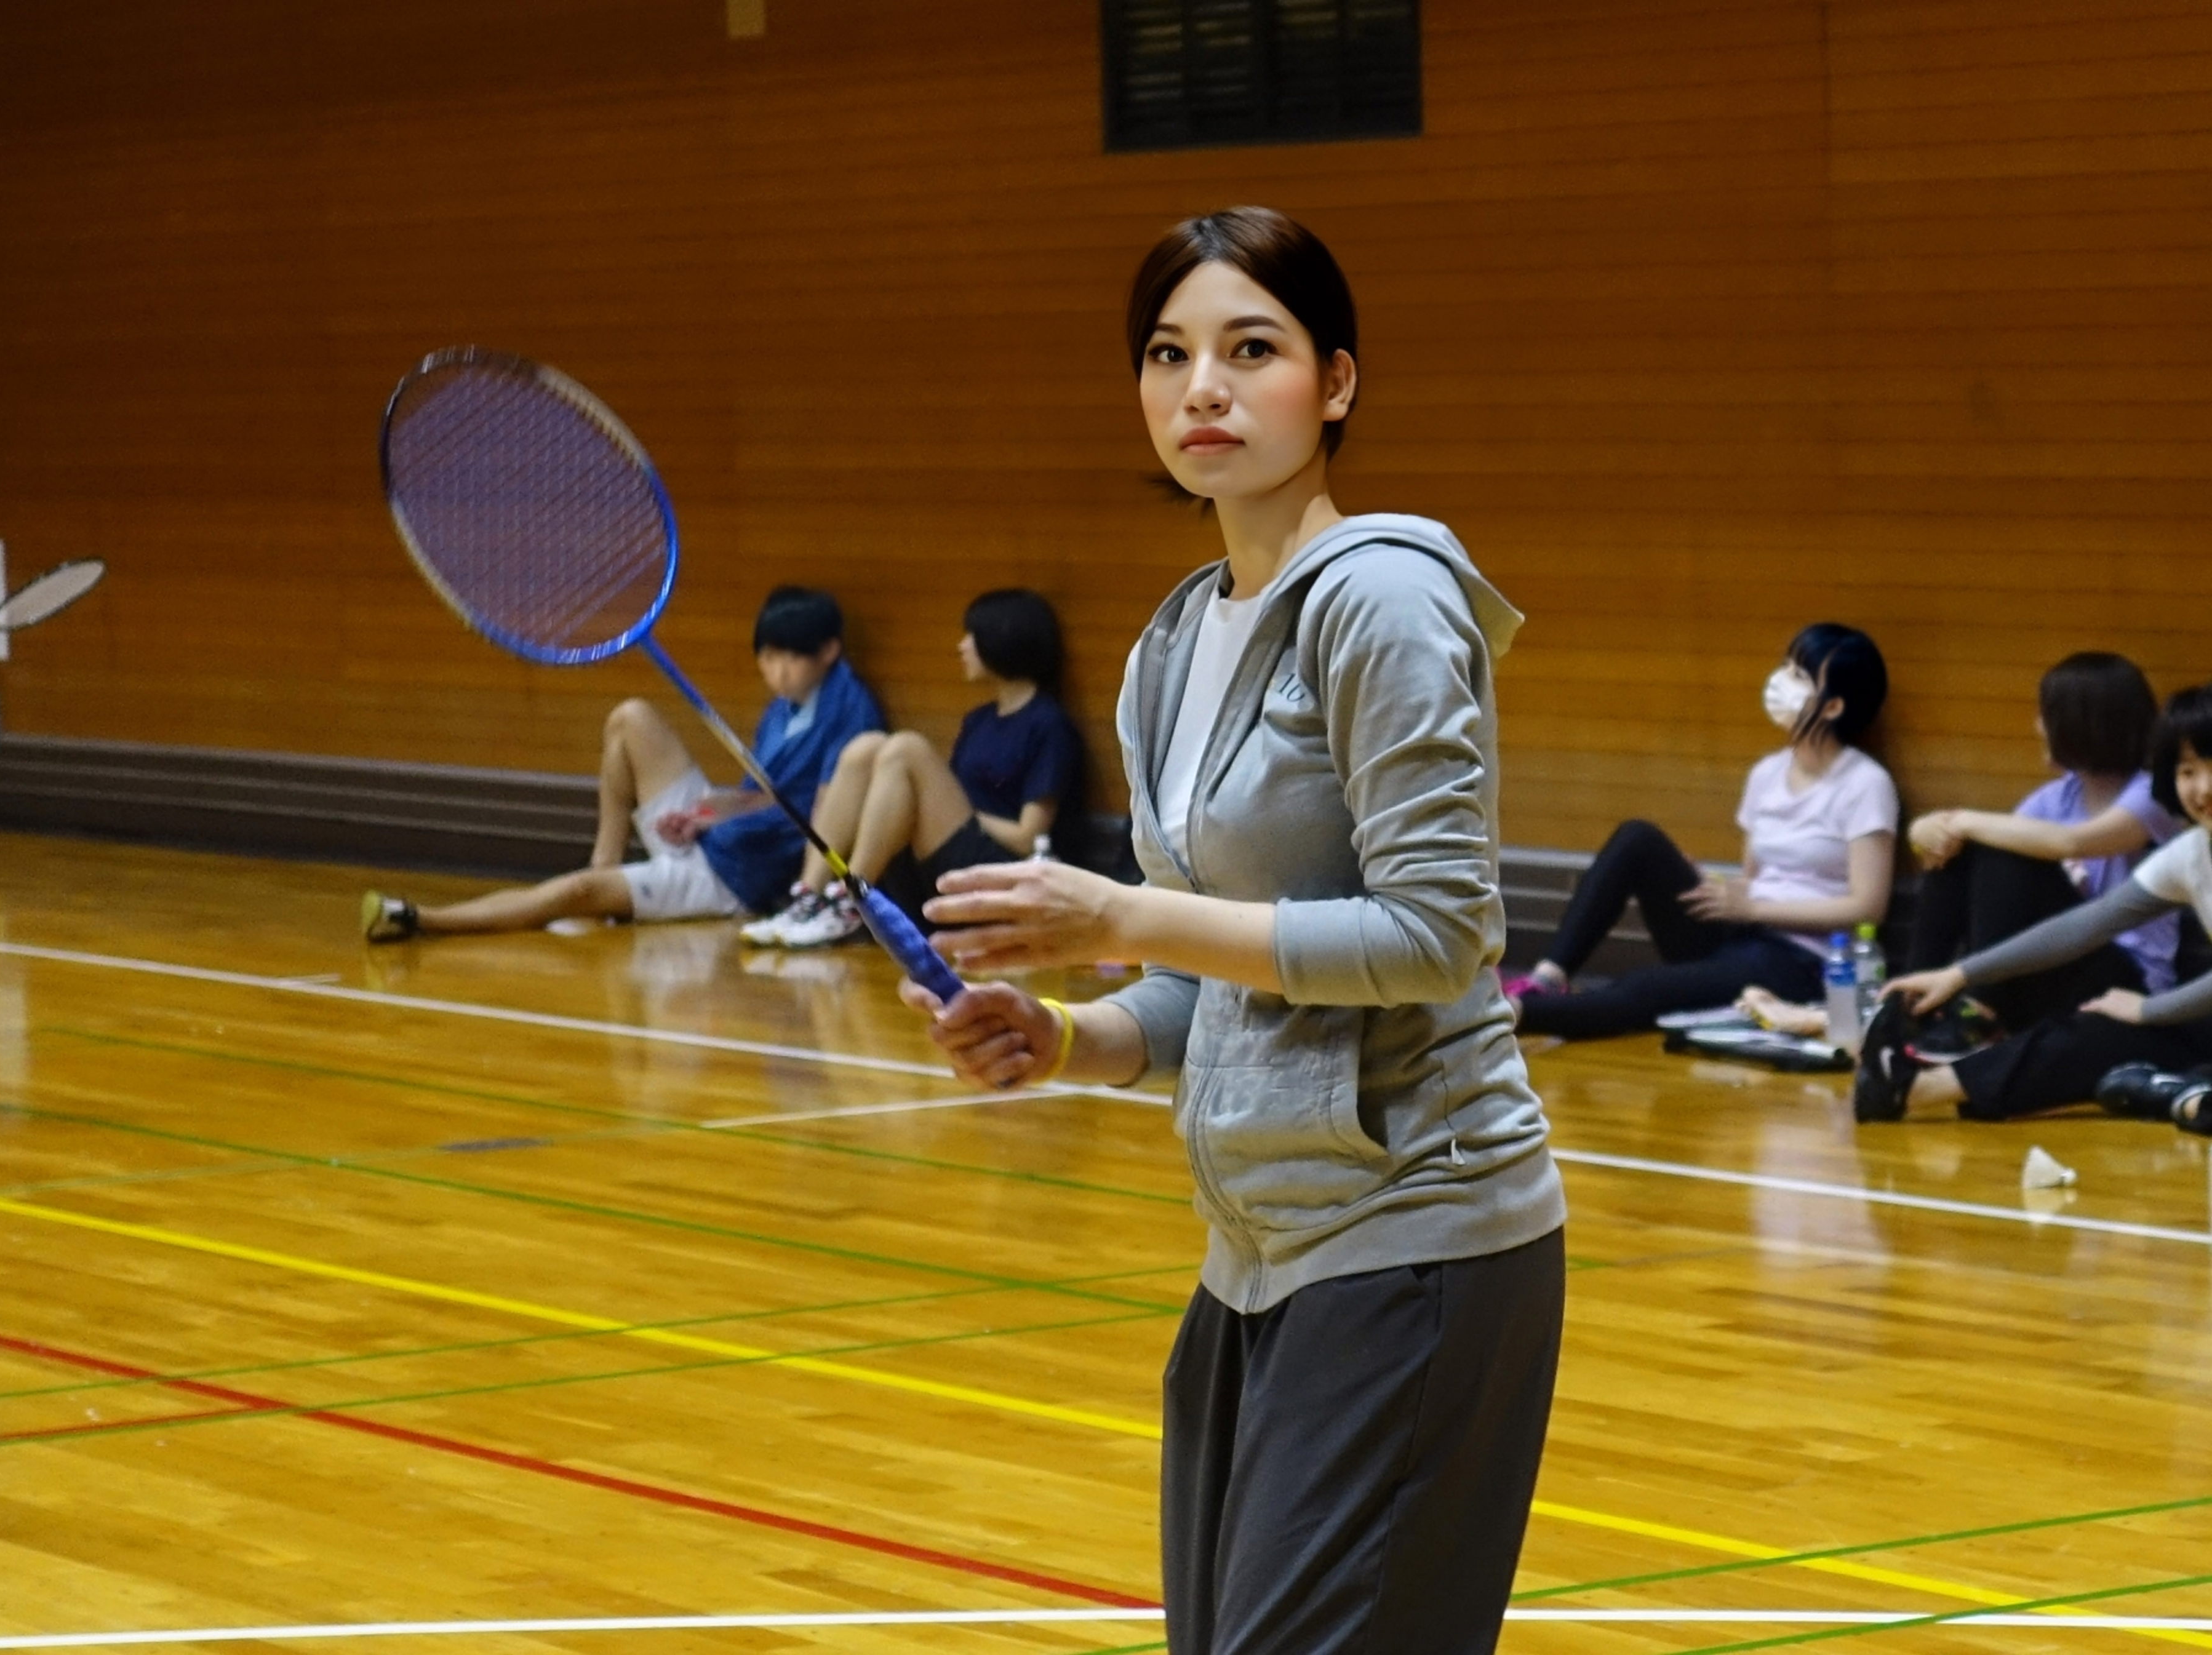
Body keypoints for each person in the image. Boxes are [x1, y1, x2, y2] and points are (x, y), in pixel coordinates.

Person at [896, 207, 1565, 1655]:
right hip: (1254, 1249)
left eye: (1247, 349)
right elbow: (1221, 981)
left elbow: (1437, 932)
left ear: (1333, 382)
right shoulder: (1166, 644)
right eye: (1166, 352)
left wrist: (1119, 911)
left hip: (1415, 1233)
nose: (1200, 386)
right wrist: (1067, 1033)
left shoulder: (1383, 598)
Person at [362, 586, 880, 939]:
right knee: (630, 719)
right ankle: (605, 867)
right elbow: (762, 795)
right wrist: (699, 816)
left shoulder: (850, 711)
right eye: (767, 657)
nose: (776, 671)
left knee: (574, 894)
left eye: (789, 657)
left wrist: (792, 884)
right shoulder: (782, 711)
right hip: (715, 837)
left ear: (829, 651)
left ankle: (422, 920)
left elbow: (819, 815)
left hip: (737, 880)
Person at [1506, 623, 1898, 1041]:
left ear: (1834, 706)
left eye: (1800, 676)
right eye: (1785, 667)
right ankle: (1547, 978)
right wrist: (1716, 886)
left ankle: (1515, 1015)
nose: (1781, 681)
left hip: (1801, 962)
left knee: (1647, 985)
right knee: (1637, 840)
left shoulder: (1866, 784)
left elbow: (1867, 907)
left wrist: (1754, 910)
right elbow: (1756, 882)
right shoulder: (1767, 773)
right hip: (1741, 933)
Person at [1860, 684, 2212, 1123]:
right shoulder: (2192, 853)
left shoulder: (2146, 808)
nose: (2203, 788)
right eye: (2188, 771)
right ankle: (1911, 1082)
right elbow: (2085, 926)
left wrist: (2148, 1009)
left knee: (2130, 1033)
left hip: (2183, 1007)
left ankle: (1927, 1082)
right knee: (2103, 1033)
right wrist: (1957, 974)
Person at [742, 588, 1082, 948]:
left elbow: (1030, 837)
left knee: (906, 749)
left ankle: (852, 901)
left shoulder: (1049, 725)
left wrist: (960, 813)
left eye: (973, 637)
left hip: (1004, 870)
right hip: (941, 865)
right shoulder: (979, 721)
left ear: (1005, 639)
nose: (963, 647)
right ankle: (809, 897)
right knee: (865, 748)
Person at [1896, 652, 2176, 1044]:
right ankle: (1907, 1000)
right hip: (2051, 958)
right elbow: (1995, 870)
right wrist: (1928, 827)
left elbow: (2072, 842)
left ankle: (1983, 1007)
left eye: (2047, 715)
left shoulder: (2153, 794)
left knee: (1994, 844)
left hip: (2127, 977)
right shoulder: (2057, 798)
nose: (2038, 727)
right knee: (1978, 846)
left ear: (2082, 724)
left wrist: (1960, 820)